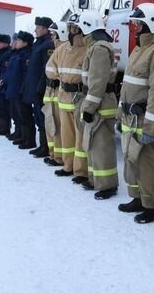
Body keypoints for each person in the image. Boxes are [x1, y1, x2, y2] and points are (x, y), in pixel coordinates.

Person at [118, 3, 154, 223]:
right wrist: (119, 114)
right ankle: (138, 198)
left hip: (146, 118)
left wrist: (151, 127)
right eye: (134, 23)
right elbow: (127, 85)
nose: (135, 27)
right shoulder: (139, 49)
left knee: (151, 163)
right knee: (133, 160)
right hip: (131, 116)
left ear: (150, 24)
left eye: (138, 23)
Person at [78, 10, 119, 199]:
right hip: (97, 103)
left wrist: (89, 107)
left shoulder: (99, 49)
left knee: (102, 147)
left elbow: (97, 82)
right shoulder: (96, 47)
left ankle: (107, 185)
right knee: (93, 145)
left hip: (101, 105)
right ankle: (96, 180)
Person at [53, 14, 88, 183]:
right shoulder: (63, 48)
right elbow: (50, 68)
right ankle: (68, 166)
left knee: (81, 139)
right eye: (70, 27)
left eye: (74, 27)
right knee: (67, 137)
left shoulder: (89, 48)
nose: (71, 31)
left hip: (79, 98)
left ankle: (81, 171)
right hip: (64, 97)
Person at [24, 16, 55, 158]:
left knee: (43, 119)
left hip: (40, 88)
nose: (35, 30)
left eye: (38, 27)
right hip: (34, 86)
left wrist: (40, 87)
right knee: (37, 117)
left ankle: (46, 147)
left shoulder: (48, 45)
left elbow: (46, 69)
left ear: (45, 29)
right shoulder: (39, 44)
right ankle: (42, 145)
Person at [1, 31, 35, 149]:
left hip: (20, 89)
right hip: (14, 88)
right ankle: (22, 136)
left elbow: (26, 74)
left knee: (25, 115)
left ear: (25, 43)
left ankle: (29, 140)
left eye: (19, 41)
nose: (16, 42)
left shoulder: (27, 54)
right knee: (19, 114)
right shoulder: (18, 53)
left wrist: (23, 88)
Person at [42, 21, 69, 167]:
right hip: (51, 92)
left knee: (58, 127)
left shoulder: (64, 50)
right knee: (51, 126)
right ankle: (54, 154)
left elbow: (55, 72)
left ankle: (59, 156)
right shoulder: (59, 49)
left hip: (58, 92)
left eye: (54, 34)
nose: (52, 37)